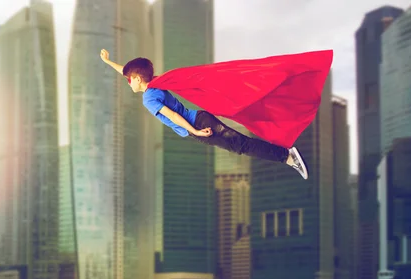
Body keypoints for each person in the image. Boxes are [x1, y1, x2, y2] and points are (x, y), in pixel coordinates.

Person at [99, 49, 334, 180]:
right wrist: (109, 62)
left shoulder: (148, 98)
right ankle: (284, 155)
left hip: (200, 125)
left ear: (138, 79)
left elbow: (172, 116)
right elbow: (128, 72)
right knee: (240, 144)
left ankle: (287, 157)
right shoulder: (156, 83)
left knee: (241, 146)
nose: (128, 82)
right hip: (201, 119)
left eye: (130, 80)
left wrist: (195, 131)